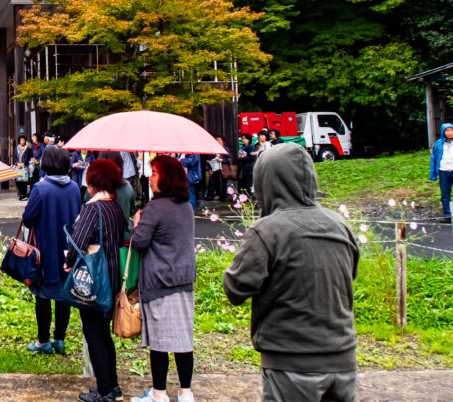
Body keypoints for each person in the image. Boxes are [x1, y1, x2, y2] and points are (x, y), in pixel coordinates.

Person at [223, 143, 359, 402]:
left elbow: (235, 289)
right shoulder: (340, 225)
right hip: (343, 358)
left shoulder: (267, 230)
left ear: (265, 182)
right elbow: (348, 275)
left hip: (290, 361)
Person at [129, 155, 196, 402]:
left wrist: (137, 222)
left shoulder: (155, 209)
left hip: (159, 282)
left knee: (159, 342)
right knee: (183, 340)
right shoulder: (187, 207)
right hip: (183, 280)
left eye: (155, 173)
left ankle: (159, 395)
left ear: (167, 178)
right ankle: (186, 393)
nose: (150, 177)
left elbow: (139, 241)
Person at [66, 159, 127, 402]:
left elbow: (77, 243)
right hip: (111, 277)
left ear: (95, 182)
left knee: (94, 335)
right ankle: (112, 387)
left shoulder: (93, 208)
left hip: (94, 278)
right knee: (103, 333)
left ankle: (105, 392)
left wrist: (68, 260)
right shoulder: (114, 206)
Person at [21, 146, 81, 355]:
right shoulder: (74, 187)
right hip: (68, 248)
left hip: (44, 248)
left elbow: (28, 218)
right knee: (64, 294)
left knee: (43, 295)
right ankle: (60, 338)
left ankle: (43, 341)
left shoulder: (40, 188)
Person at [430, 122, 453, 222]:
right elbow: (433, 159)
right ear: (443, 132)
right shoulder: (438, 144)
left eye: (451, 130)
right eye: (447, 131)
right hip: (443, 171)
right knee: (445, 194)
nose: (449, 133)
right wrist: (433, 174)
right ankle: (447, 215)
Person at [13, 135, 33, 201]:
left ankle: (24, 195)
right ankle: (22, 194)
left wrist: (22, 164)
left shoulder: (27, 148)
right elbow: (14, 157)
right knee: (17, 181)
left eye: (24, 140)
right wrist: (17, 163)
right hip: (17, 167)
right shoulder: (17, 148)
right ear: (19, 141)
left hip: (24, 167)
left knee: (24, 181)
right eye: (21, 140)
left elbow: (27, 157)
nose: (23, 141)